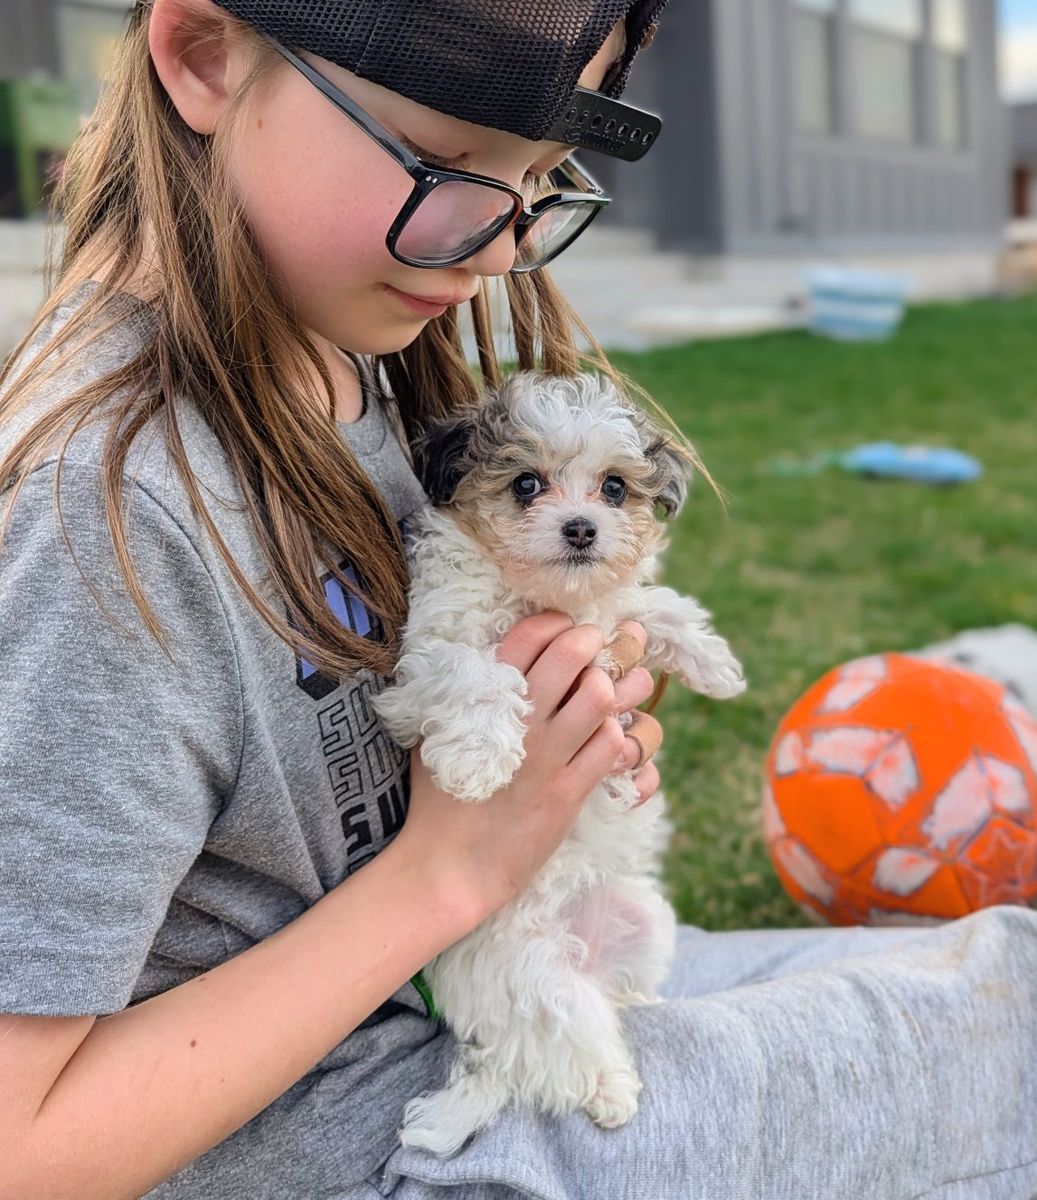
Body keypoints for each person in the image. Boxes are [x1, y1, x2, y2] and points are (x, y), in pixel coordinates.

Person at [1, 1, 1036, 1197]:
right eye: (447, 165)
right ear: (202, 55)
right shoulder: (105, 514)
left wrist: (554, 747)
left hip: (477, 993)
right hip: (387, 1137)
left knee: (990, 972)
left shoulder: (336, 354)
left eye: (542, 178)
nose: (499, 250)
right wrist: (449, 869)